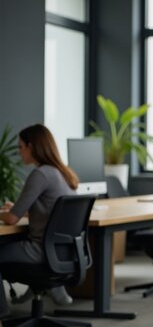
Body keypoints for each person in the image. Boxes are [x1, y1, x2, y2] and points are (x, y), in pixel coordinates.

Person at [0, 124, 76, 316]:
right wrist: (18, 210)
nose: (19, 152)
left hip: (40, 252)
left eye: (20, 147)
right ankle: (52, 288)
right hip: (63, 251)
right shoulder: (62, 173)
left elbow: (11, 219)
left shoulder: (40, 174)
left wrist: (8, 212)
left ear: (31, 146)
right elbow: (49, 213)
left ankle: (1, 313)